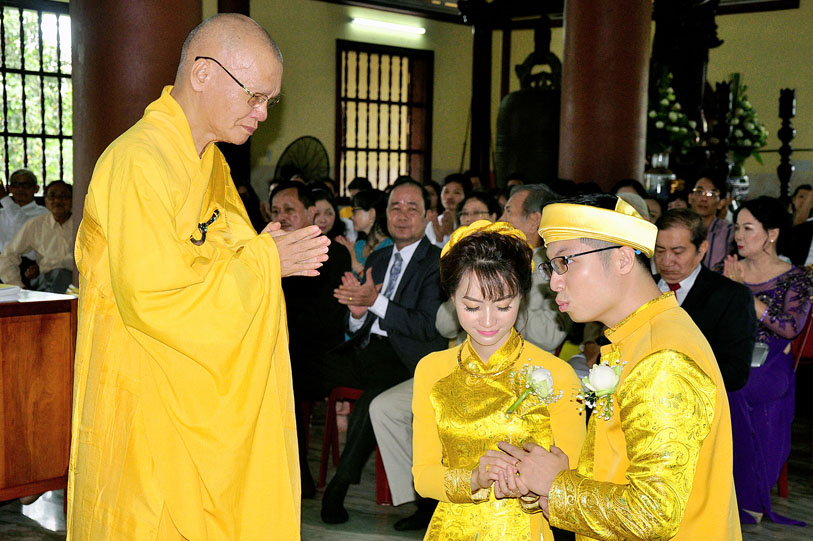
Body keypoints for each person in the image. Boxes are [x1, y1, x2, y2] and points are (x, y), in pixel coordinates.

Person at [68, 14, 331, 539]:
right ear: (203, 73)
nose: (263, 114)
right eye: (255, 96)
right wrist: (265, 263)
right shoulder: (136, 162)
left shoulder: (210, 164)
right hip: (146, 397)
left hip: (198, 398)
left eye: (270, 101)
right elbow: (153, 298)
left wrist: (259, 255)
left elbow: (217, 258)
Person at [496, 193, 739, 540]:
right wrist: (545, 483)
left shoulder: (662, 357)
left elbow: (653, 514)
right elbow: (619, 470)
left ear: (623, 258)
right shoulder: (637, 337)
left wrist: (557, 484)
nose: (554, 282)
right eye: (551, 266)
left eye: (565, 261)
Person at [412, 221, 585, 541]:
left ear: (522, 296)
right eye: (471, 306)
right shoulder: (432, 370)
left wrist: (532, 490)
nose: (488, 321)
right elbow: (423, 477)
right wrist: (474, 479)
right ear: (451, 297)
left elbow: (575, 480)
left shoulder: (557, 375)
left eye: (504, 305)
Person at [304, 178, 447, 524]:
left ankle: (339, 486)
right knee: (300, 369)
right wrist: (357, 314)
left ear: (428, 215)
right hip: (368, 351)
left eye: (412, 208)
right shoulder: (379, 258)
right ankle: (290, 469)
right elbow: (359, 319)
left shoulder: (438, 262)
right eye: (395, 207)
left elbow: (427, 326)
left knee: (373, 401)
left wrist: (375, 302)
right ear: (385, 214)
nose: (402, 215)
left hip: (408, 359)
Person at [723, 196, 812, 526]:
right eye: (736, 227)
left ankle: (748, 496)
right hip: (733, 357)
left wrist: (742, 293)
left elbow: (789, 328)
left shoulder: (796, 278)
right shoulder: (727, 269)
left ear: (772, 234)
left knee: (739, 389)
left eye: (748, 228)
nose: (739, 236)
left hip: (771, 363)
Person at [654, 208, 755, 391]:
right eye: (659, 251)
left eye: (677, 252)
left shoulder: (731, 296)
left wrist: (671, 375)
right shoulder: (642, 288)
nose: (666, 261)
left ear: (701, 249)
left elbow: (735, 373)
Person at [0, 180, 74, 293]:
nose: (58, 201)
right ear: (46, 200)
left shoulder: (83, 224)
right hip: (45, 281)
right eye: (52, 196)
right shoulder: (36, 224)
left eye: (64, 196)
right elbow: (7, 256)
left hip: (77, 280)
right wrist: (18, 287)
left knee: (63, 277)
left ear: (73, 200)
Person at [335, 189, 392, 276]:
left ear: (372, 214)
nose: (351, 217)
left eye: (354, 211)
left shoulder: (390, 247)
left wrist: (354, 262)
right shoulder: (359, 245)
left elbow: (379, 282)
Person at [688, 173, 734, 272]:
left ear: (721, 203)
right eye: (699, 192)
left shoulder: (729, 232)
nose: (704, 199)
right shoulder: (678, 228)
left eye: (711, 194)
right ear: (690, 197)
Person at [0, 169, 49, 253]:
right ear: (10, 188)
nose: (21, 189)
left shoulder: (44, 213)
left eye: (26, 185)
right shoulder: (2, 213)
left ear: (36, 189)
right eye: (16, 185)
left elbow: (25, 229)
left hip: (30, 260)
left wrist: (4, 198)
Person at [426, 173, 471, 247]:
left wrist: (450, 233)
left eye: (456, 192)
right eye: (446, 192)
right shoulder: (435, 223)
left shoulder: (470, 222)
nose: (450, 197)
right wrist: (439, 239)